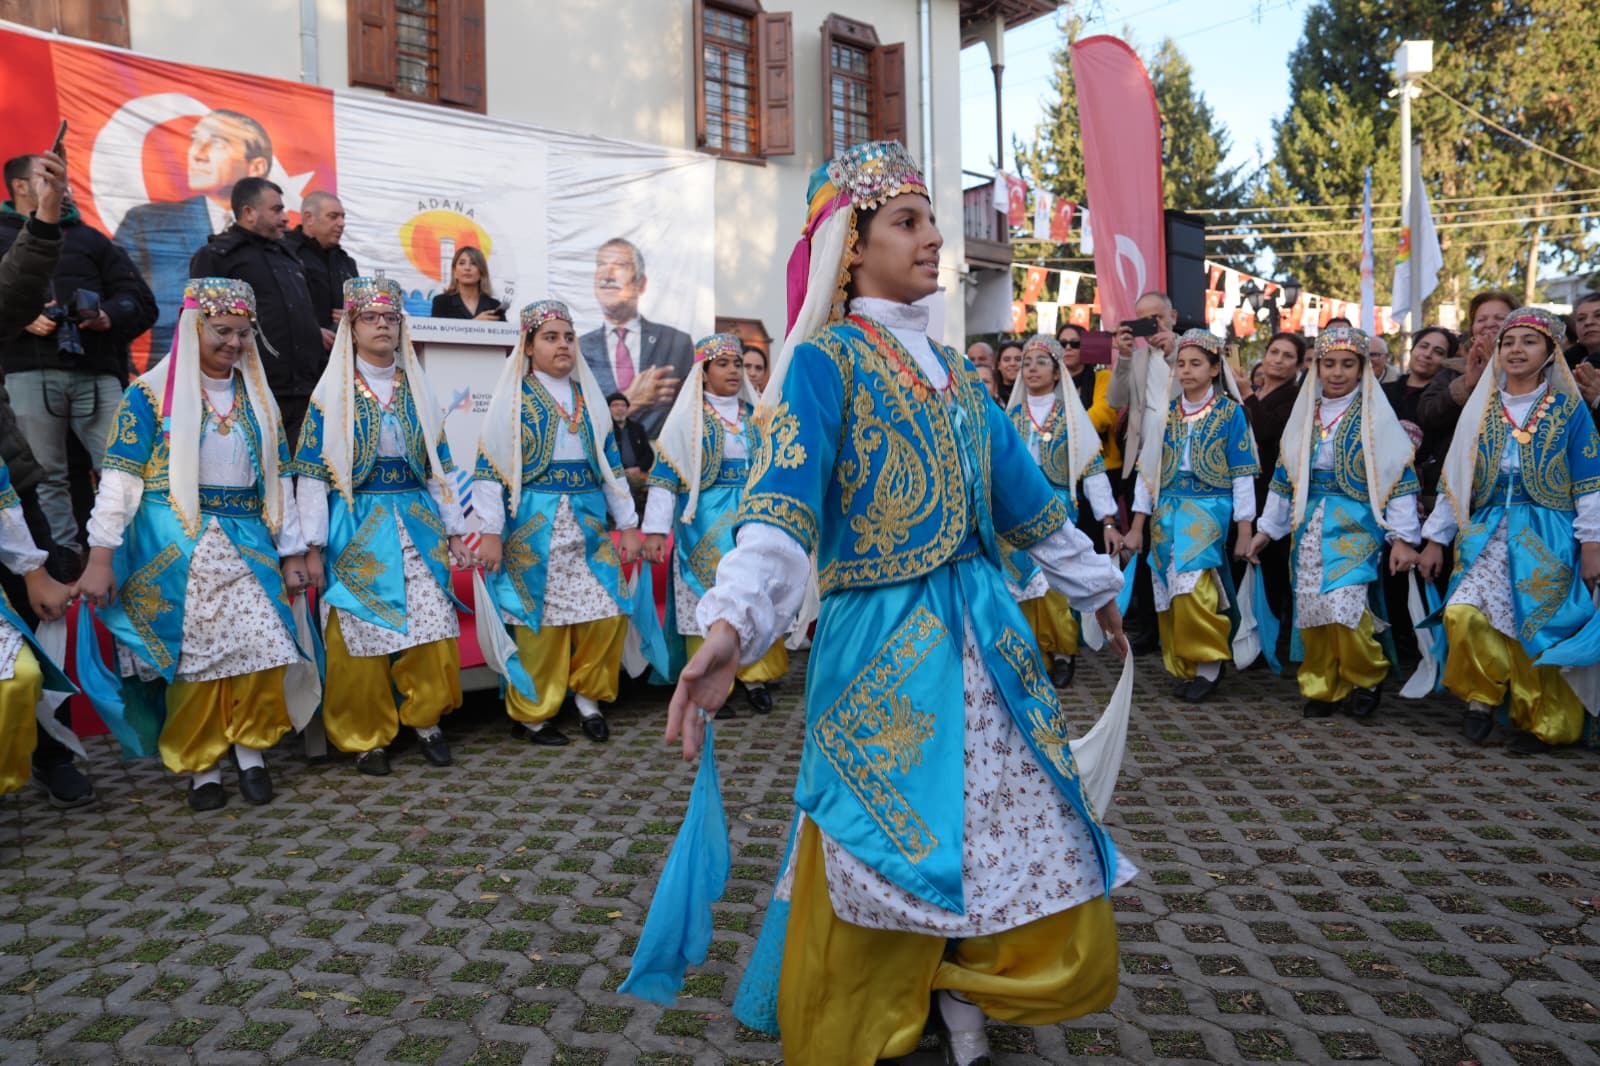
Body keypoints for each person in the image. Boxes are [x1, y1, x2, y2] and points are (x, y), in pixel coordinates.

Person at [664, 141, 1134, 1066]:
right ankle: (884, 1012)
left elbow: (1025, 499)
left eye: (931, 221)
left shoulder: (961, 374)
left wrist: (1095, 589)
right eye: (907, 223)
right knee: (886, 834)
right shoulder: (822, 363)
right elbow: (779, 512)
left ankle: (962, 1006)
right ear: (852, 247)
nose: (932, 241)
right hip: (880, 645)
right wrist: (729, 628)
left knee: (994, 823)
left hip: (984, 636)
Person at [78, 278, 312, 810]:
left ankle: (250, 750)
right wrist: (100, 555)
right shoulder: (149, 395)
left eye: (243, 334)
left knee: (264, 647)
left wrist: (293, 549)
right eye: (222, 331)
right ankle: (201, 764)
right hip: (176, 545)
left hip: (247, 541)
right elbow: (120, 478)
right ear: (193, 327)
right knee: (195, 662)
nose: (232, 343)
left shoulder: (259, 401)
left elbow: (278, 482)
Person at [295, 277, 471, 776]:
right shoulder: (331, 395)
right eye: (370, 318)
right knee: (359, 635)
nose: (382, 326)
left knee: (432, 628)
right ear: (351, 327)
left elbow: (440, 466)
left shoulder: (418, 389)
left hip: (415, 521)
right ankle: (365, 737)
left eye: (390, 319)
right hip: (355, 526)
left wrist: (455, 531)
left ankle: (427, 720)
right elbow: (311, 476)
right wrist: (311, 545)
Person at [1418, 308, 1600, 754]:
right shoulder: (1481, 410)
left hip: (1549, 533)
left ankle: (1542, 723)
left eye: (1529, 341)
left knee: (1536, 627)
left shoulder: (1569, 410)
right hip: (1486, 531)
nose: (1517, 349)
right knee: (1463, 614)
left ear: (1550, 352)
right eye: (1508, 342)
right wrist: (1434, 539)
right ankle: (1481, 696)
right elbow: (1455, 481)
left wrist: (1592, 543)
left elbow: (1590, 481)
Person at [474, 299, 644, 745]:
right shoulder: (512, 400)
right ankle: (533, 715)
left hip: (587, 525)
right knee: (539, 623)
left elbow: (610, 468)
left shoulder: (591, 400)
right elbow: (490, 468)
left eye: (568, 337)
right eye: (551, 337)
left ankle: (588, 699)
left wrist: (627, 524)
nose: (563, 345)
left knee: (608, 610)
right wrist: (490, 532)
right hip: (533, 525)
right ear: (528, 347)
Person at [1247, 327, 1422, 717]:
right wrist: (1266, 530)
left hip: (1357, 522)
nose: (1338, 372)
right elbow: (1285, 473)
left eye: (1348, 364)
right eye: (1329, 364)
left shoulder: (1376, 415)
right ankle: (1324, 686)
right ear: (1317, 367)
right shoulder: (1306, 412)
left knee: (1346, 605)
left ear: (1362, 369)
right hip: (1309, 523)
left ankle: (1366, 676)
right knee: (1312, 607)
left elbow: (1398, 477)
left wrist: (1403, 538)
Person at [2, 154, 159, 567]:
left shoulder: (91, 239)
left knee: (124, 468)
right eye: (47, 176)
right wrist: (21, 318)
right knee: (43, 476)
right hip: (25, 372)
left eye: (61, 177)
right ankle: (63, 562)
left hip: (97, 372)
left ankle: (137, 554)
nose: (61, 184)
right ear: (21, 186)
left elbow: (140, 302)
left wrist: (108, 316)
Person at [0, 149, 92, 806]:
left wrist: (44, 222)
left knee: (42, 610)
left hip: (7, 482)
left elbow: (14, 291)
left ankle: (54, 750)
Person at [641, 333, 786, 714]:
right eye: (723, 364)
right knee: (704, 596)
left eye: (737, 364)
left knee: (756, 590)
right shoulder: (686, 423)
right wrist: (655, 531)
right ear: (703, 373)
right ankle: (707, 681)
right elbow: (664, 476)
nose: (734, 371)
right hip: (703, 523)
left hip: (751, 520)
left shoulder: (756, 416)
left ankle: (754, 677)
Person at [1122, 329, 1258, 703]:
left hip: (1209, 507)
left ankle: (1210, 663)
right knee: (1167, 589)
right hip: (1167, 509)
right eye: (1180, 363)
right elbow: (1147, 474)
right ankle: (1186, 664)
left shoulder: (1231, 413)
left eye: (1196, 363)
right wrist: (1136, 527)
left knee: (1193, 586)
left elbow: (1243, 473)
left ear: (1216, 368)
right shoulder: (1166, 414)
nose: (1186, 371)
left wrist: (1245, 530)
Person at [1006, 333, 1119, 688]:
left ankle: (1062, 653)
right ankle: (1029, 654)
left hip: (1056, 509)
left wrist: (1108, 520)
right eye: (1026, 362)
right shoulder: (1009, 418)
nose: (1032, 369)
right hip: (1012, 514)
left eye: (1042, 362)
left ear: (1057, 374)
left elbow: (1093, 470)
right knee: (1018, 582)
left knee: (1053, 584)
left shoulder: (1072, 418)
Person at [115, 110, 274, 359]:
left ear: (256, 166)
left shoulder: (276, 245)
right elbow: (120, 297)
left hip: (253, 372)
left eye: (217, 144)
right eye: (196, 140)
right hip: (170, 371)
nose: (197, 154)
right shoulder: (146, 223)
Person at [189, 177, 327, 450]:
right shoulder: (218, 255)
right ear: (249, 213)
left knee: (305, 478)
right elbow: (201, 324)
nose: (285, 218)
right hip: (251, 391)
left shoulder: (290, 256)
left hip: (304, 391)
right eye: (276, 210)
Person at [1105, 291, 1181, 654]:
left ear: (1173, 316)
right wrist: (1121, 356)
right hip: (1142, 460)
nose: (1153, 325)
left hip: (1184, 459)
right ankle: (1151, 627)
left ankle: (1183, 626)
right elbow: (1115, 399)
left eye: (1158, 317)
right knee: (1146, 545)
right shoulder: (1134, 358)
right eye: (1143, 319)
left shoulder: (1191, 351)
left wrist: (1175, 350)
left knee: (1181, 545)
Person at [578, 238, 693, 435]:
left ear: (641, 283)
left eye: (620, 265)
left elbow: (690, 414)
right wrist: (631, 401)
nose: (607, 274)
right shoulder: (579, 349)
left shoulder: (676, 343)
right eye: (601, 265)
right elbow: (576, 418)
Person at [1244, 331, 1308, 633]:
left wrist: (1246, 396)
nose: (1279, 360)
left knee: (1272, 561)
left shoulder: (1297, 397)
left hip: (1273, 487)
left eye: (1288, 356)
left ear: (1298, 365)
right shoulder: (1254, 391)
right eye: (1274, 352)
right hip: (1243, 485)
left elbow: (1268, 431)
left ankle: (1274, 628)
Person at [1416, 290, 1516, 445]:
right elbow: (1427, 416)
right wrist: (1466, 386)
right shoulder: (1453, 370)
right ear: (1473, 329)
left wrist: (1499, 374)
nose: (1489, 324)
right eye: (1481, 319)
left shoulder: (1533, 369)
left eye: (1500, 318)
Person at [284, 192, 359, 334]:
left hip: (340, 350)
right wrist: (311, 331)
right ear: (309, 218)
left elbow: (358, 306)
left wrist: (355, 317)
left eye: (343, 217)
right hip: (297, 348)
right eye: (333, 216)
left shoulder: (346, 263)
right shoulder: (284, 254)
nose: (341, 223)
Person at [429, 246, 505, 321]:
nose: (467, 268)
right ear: (454, 272)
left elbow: (505, 332)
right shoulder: (441, 302)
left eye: (474, 263)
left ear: (482, 272)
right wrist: (475, 324)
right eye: (462, 263)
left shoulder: (494, 305)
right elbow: (437, 333)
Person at [608, 391, 654, 513]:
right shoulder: (605, 430)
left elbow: (649, 455)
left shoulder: (638, 428)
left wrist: (638, 468)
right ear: (608, 409)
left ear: (627, 409)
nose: (619, 409)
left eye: (623, 405)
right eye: (615, 405)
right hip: (615, 475)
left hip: (637, 473)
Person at [1565, 292, 1600, 412]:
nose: (1588, 322)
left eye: (1598, 315)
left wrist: (1598, 399)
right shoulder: (1563, 365)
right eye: (1581, 318)